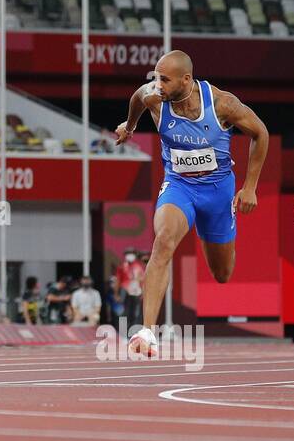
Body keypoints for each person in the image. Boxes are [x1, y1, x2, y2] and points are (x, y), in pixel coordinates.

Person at [115, 50, 270, 357]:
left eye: (165, 79)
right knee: (163, 241)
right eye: (156, 77)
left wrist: (250, 187)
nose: (157, 84)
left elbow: (260, 133)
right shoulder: (154, 98)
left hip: (217, 192)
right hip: (179, 186)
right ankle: (147, 330)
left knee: (222, 273)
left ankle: (212, 233)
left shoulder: (222, 103)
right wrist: (130, 126)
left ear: (186, 80)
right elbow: (137, 97)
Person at [115, 249, 145, 328]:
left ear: (135, 255)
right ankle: (123, 329)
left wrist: (143, 292)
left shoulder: (139, 266)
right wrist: (116, 294)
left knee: (136, 311)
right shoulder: (122, 266)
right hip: (124, 290)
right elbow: (118, 281)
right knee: (124, 310)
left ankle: (134, 329)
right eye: (128, 253)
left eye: (131, 253)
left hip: (136, 290)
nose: (129, 255)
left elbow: (142, 280)